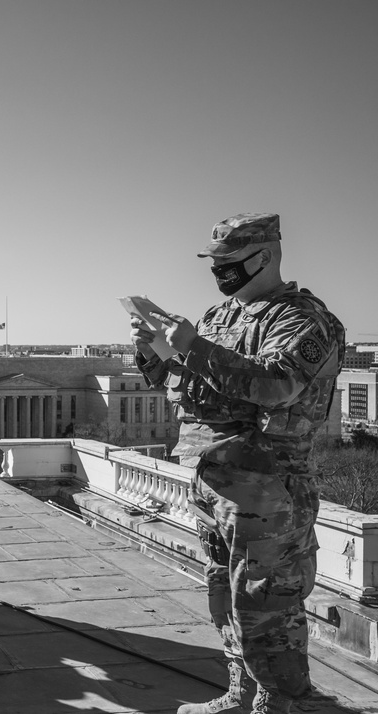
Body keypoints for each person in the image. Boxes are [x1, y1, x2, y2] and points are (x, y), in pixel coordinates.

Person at [130, 213, 344, 714]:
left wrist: (192, 345)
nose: (219, 271)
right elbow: (184, 384)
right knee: (224, 594)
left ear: (264, 257)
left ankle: (283, 701)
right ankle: (240, 692)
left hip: (269, 484)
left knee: (266, 603)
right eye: (215, 262)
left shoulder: (300, 317)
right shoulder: (218, 317)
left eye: (229, 261)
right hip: (214, 477)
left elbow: (276, 385)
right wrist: (155, 354)